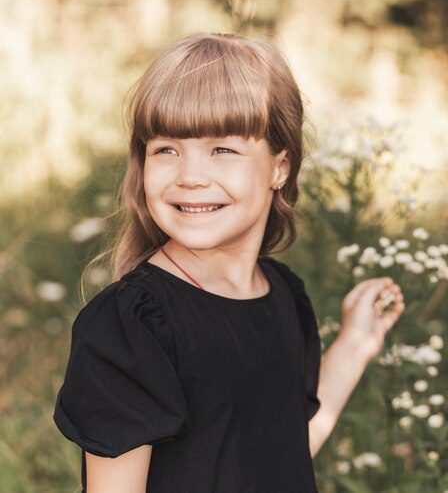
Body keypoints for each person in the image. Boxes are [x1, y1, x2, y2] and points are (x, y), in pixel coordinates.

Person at [53, 32, 405, 493]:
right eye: (166, 149)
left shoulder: (283, 294)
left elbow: (281, 457)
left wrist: (356, 344)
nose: (191, 177)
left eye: (222, 149)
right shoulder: (132, 327)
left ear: (280, 167)